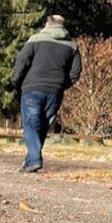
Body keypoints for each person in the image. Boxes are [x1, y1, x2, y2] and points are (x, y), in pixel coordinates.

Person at [10, 14, 82, 173]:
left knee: (31, 124)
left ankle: (35, 159)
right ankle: (30, 161)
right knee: (42, 126)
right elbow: (75, 72)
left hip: (32, 88)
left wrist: (16, 82)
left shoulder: (35, 40)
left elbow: (21, 62)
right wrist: (62, 85)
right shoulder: (72, 46)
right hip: (55, 92)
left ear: (47, 24)